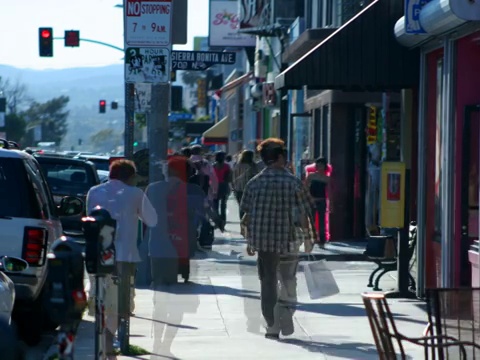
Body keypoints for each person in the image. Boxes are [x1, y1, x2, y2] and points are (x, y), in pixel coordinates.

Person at [240, 138, 316, 339]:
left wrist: (249, 242)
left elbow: (247, 215)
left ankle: (272, 325)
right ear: (280, 157)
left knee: (268, 282)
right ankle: (285, 312)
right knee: (289, 279)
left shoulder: (254, 183)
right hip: (290, 240)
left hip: (264, 244)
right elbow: (304, 212)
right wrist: (309, 237)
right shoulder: (293, 182)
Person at [86, 159, 157, 358]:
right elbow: (152, 220)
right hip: (124, 256)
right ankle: (108, 343)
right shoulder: (135, 193)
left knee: (102, 300)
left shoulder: (94, 191)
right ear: (130, 176)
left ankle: (104, 342)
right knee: (120, 303)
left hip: (99, 255)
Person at [146, 156, 206, 286]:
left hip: (157, 243)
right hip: (182, 239)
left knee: (159, 281)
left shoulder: (152, 188)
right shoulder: (193, 190)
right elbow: (201, 212)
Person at [305, 157, 330, 247]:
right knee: (311, 221)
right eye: (318, 165)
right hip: (312, 200)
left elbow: (329, 191)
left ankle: (322, 240)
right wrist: (308, 198)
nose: (320, 167)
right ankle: (312, 238)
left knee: (322, 221)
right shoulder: (311, 176)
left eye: (321, 165)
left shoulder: (327, 178)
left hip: (322, 201)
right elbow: (306, 188)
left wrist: (331, 204)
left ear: (324, 166)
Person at [232, 150, 258, 220]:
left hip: (238, 189)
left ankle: (242, 223)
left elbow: (233, 177)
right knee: (250, 208)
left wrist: (233, 187)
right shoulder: (252, 166)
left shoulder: (237, 165)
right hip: (250, 189)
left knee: (241, 207)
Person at [213, 151, 231, 223]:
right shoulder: (226, 166)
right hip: (224, 185)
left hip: (215, 185)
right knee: (223, 204)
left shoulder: (213, 166)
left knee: (215, 204)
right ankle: (223, 219)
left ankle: (216, 219)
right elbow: (228, 177)